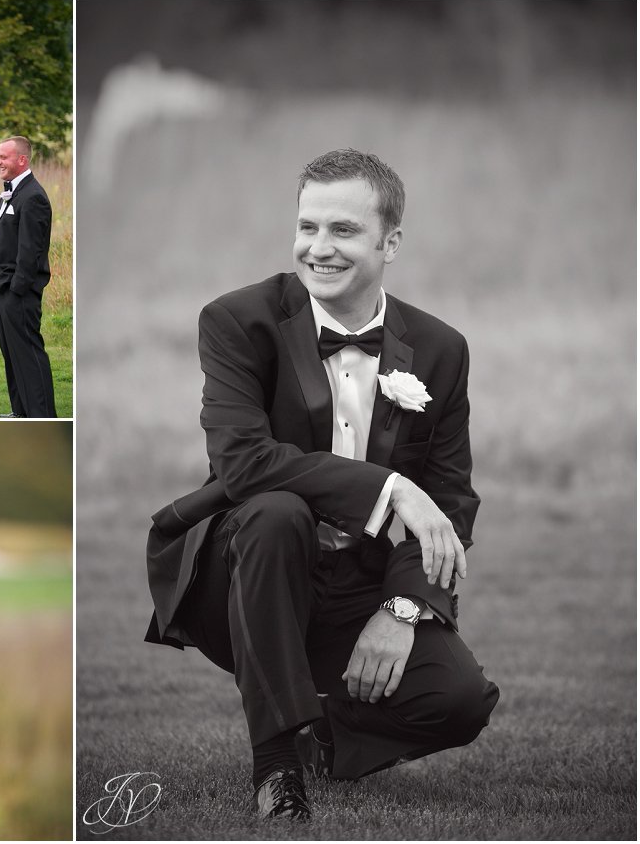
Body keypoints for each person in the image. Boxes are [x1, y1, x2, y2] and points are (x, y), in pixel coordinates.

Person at [144, 149, 499, 821]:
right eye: (307, 227)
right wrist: (390, 487)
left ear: (390, 242)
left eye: (342, 230)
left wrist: (401, 609)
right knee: (277, 511)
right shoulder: (236, 321)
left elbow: (450, 498)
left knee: (460, 700)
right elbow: (244, 463)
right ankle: (276, 764)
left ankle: (322, 740)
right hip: (243, 571)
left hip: (357, 579)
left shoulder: (441, 347)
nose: (318, 248)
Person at [0, 136, 56, 418]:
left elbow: (31, 252)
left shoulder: (34, 196)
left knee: (28, 355)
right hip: (0, 290)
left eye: (3, 157)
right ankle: (20, 411)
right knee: (12, 355)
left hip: (18, 294)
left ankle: (41, 415)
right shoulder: (11, 191)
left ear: (22, 160)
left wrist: (16, 290)